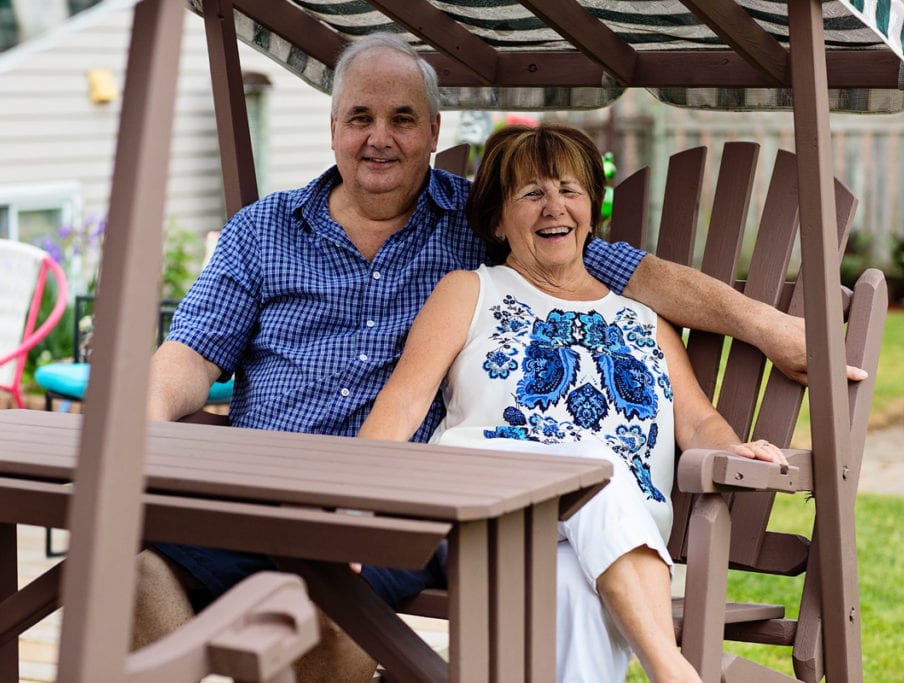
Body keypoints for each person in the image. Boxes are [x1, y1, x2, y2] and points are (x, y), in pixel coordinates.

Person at [141, 31, 861, 680]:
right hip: (261, 485)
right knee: (133, 574)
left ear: (432, 131)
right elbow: (190, 354)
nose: (379, 137)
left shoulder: (477, 224)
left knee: (343, 604)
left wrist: (769, 327)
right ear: (334, 129)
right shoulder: (263, 231)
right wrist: (133, 421)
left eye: (400, 119)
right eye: (360, 117)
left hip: (400, 506)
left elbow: (626, 276)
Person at [357, 122, 788, 682]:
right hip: (490, 506)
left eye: (569, 190)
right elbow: (405, 400)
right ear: (496, 220)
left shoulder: (644, 319)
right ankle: (672, 670)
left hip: (606, 537)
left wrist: (736, 449)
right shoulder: (471, 290)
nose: (553, 207)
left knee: (575, 595)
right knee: (595, 467)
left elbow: (698, 418)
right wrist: (355, 507)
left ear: (591, 209)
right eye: (531, 193)